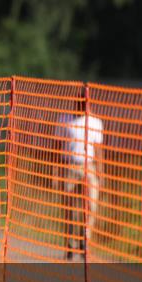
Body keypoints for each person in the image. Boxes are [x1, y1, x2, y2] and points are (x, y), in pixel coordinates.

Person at [57, 103, 104, 260]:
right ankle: (70, 244)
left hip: (88, 167)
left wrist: (100, 172)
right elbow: (56, 146)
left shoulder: (95, 122)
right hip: (69, 166)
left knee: (91, 205)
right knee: (69, 207)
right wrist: (54, 172)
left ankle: (85, 239)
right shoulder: (65, 119)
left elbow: (98, 149)